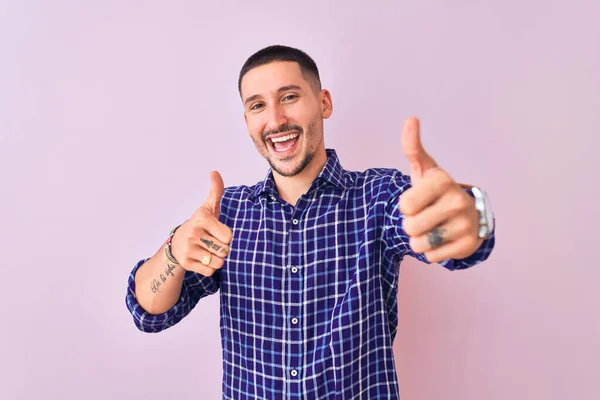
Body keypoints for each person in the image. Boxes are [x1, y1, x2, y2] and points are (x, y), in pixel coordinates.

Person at [125, 44, 496, 399]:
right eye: (258, 106)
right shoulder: (227, 213)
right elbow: (149, 313)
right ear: (247, 120)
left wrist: (467, 214)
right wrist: (174, 250)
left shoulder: (377, 196)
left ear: (324, 102)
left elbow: (450, 233)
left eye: (289, 97)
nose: (275, 119)